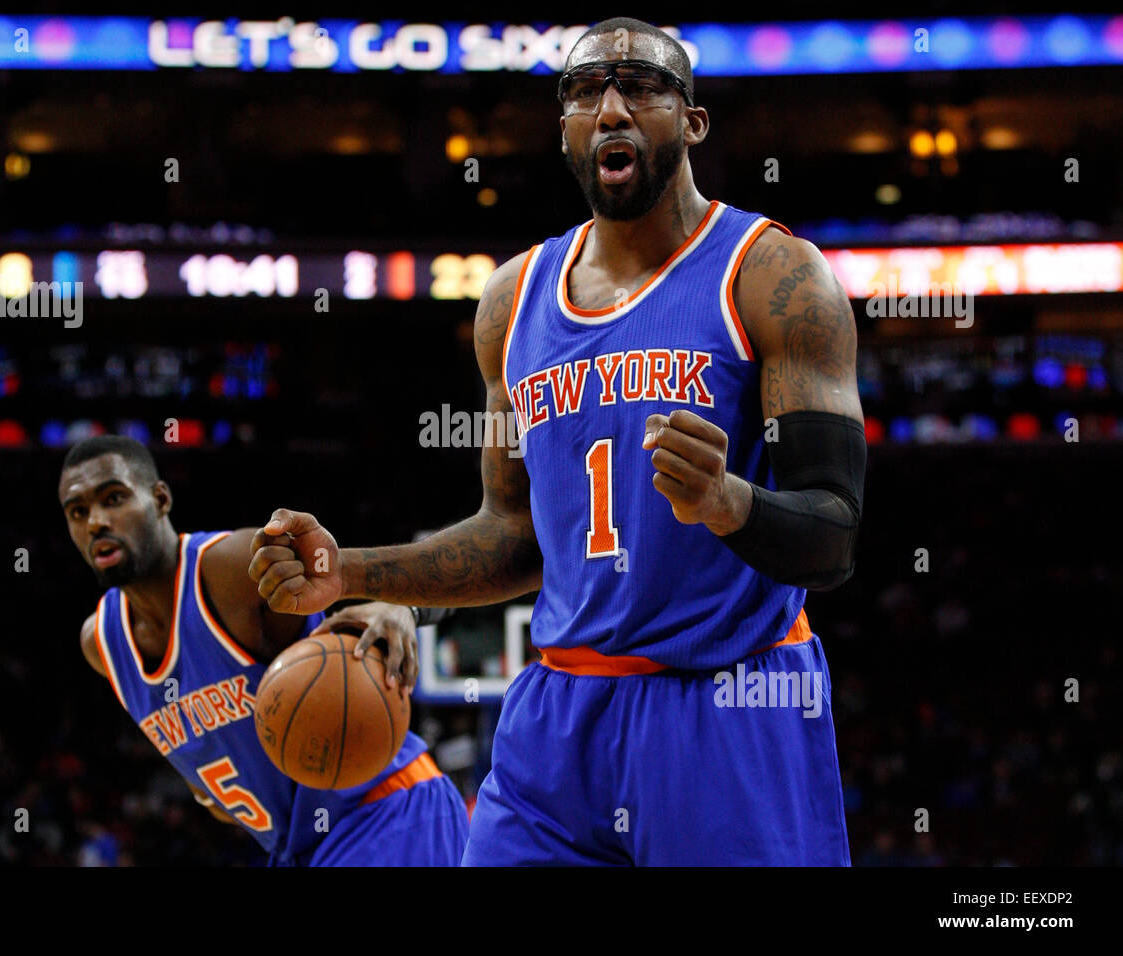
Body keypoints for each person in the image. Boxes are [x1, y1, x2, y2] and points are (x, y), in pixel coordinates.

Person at [250, 17, 865, 865]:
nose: (610, 108)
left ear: (692, 121)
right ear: (566, 129)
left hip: (727, 702)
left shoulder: (774, 275)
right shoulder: (511, 302)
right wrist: (350, 571)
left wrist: (728, 504)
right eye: (584, 92)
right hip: (556, 716)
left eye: (639, 86)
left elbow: (832, 536)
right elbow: (513, 537)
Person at [58, 435, 468, 865]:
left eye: (114, 498)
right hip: (301, 849)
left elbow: (395, 575)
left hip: (386, 812)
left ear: (160, 499)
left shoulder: (232, 567)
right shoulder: (103, 645)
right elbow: (216, 795)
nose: (96, 522)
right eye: (78, 511)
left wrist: (403, 607)